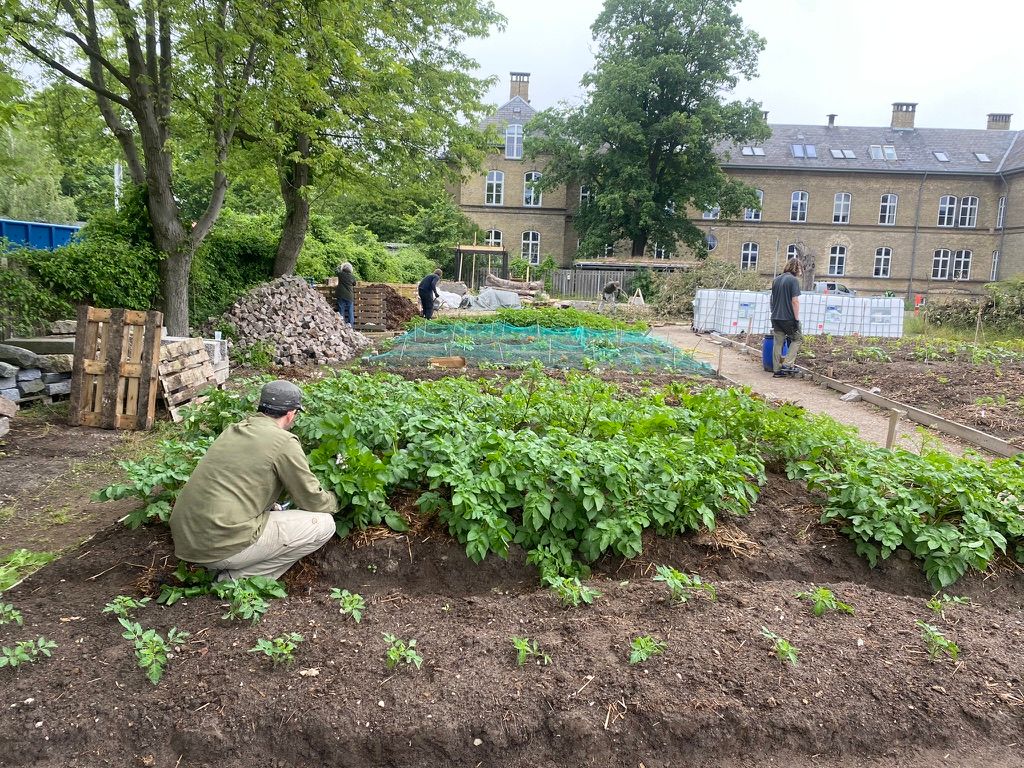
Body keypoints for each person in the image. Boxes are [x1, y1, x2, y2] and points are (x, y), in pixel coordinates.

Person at [168, 380, 338, 580]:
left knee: (273, 508)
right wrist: (337, 500)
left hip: (186, 539)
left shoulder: (233, 430)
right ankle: (236, 580)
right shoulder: (284, 442)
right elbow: (311, 500)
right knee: (324, 524)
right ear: (291, 414)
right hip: (219, 546)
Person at [770, 258, 803, 377]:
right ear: (796, 268)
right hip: (787, 317)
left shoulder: (776, 280)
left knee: (778, 343)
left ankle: (777, 370)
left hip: (775, 317)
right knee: (798, 339)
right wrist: (796, 319)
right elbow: (795, 301)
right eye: (800, 268)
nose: (801, 271)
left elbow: (772, 300)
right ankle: (787, 364)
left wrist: (773, 313)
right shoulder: (793, 280)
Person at [335, 262, 356, 326]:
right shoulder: (352, 277)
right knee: (350, 311)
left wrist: (340, 265)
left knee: (341, 310)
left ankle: (341, 325)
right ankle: (350, 325)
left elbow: (336, 269)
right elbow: (354, 284)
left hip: (341, 295)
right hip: (349, 296)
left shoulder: (340, 274)